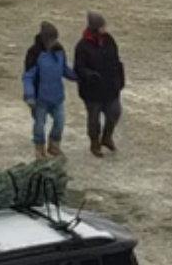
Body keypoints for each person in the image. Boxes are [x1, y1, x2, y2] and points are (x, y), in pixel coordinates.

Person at [73, 12, 124, 157]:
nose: (104, 29)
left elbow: (116, 60)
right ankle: (95, 143)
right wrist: (89, 75)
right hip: (92, 91)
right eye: (102, 26)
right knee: (94, 119)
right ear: (95, 28)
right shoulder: (82, 46)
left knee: (114, 112)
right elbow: (79, 68)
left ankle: (107, 138)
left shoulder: (109, 40)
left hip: (110, 88)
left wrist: (120, 79)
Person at [22, 22, 76, 159]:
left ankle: (54, 145)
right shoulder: (34, 53)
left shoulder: (59, 51)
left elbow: (64, 70)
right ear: (45, 39)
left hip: (57, 96)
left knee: (60, 121)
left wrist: (78, 77)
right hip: (40, 98)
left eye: (55, 38)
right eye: (51, 39)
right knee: (40, 124)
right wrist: (29, 95)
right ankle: (39, 149)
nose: (54, 42)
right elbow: (28, 76)